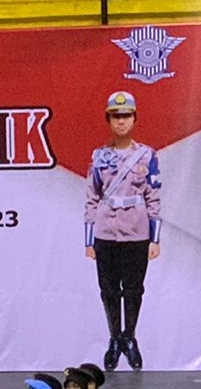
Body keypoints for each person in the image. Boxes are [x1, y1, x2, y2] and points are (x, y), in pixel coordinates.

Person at [86, 91, 161, 371]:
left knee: (133, 289)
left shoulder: (147, 155)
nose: (121, 121)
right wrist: (89, 240)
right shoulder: (99, 156)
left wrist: (154, 238)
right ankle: (114, 338)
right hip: (106, 231)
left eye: (126, 115)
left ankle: (130, 337)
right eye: (116, 116)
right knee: (108, 289)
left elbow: (154, 197)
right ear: (108, 120)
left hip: (136, 231)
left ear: (134, 119)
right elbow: (92, 197)